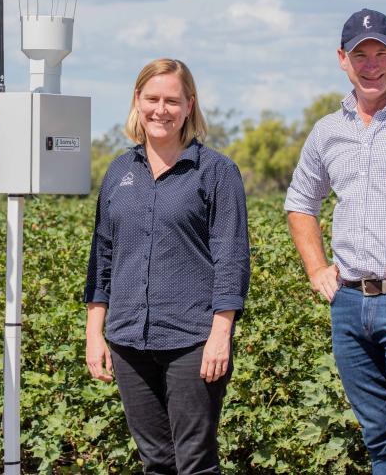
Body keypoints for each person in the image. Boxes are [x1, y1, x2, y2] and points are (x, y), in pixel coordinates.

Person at [84, 58, 250, 474]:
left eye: (172, 101)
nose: (162, 109)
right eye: (152, 98)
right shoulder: (119, 171)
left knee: (194, 460)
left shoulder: (216, 173)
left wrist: (220, 335)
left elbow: (232, 259)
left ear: (189, 105)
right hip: (127, 340)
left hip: (191, 339)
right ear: (137, 101)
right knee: (155, 460)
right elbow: (102, 256)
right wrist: (94, 333)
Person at [286, 8, 386, 473]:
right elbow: (300, 201)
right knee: (380, 436)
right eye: (360, 55)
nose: (372, 64)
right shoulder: (328, 131)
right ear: (342, 59)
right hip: (349, 305)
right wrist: (316, 268)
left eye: (382, 53)